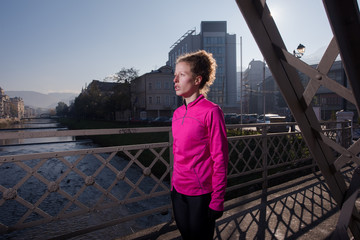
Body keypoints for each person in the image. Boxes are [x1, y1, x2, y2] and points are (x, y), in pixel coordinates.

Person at [171, 50, 229, 240]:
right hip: (178, 191)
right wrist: (173, 185)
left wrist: (217, 200)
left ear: (197, 80)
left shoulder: (211, 112)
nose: (175, 80)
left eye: (182, 75)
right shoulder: (177, 113)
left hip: (201, 194)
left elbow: (220, 158)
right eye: (175, 75)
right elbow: (178, 152)